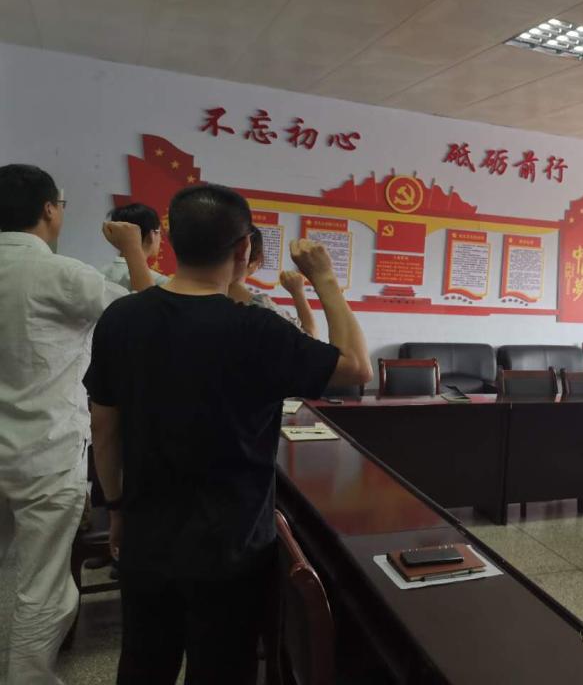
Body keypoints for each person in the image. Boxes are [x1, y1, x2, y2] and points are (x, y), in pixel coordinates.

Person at [84, 183, 372, 684]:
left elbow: (103, 429)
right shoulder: (256, 329)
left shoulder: (122, 318)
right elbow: (356, 368)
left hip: (148, 533)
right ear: (243, 250)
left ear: (172, 241)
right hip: (233, 545)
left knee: (144, 663)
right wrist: (324, 278)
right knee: (222, 669)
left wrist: (116, 508)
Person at [0, 164, 153, 685]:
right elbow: (148, 321)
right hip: (43, 453)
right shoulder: (61, 274)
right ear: (49, 209)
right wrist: (133, 252)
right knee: (42, 584)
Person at [227, 227, 318, 338]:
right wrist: (298, 292)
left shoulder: (208, 302)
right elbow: (310, 337)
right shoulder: (263, 309)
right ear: (245, 252)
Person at [100, 203, 170, 290]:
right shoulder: (161, 282)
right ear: (152, 235)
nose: (160, 238)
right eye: (159, 232)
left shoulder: (99, 274)